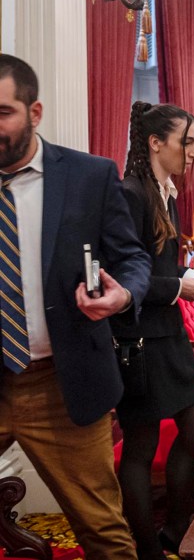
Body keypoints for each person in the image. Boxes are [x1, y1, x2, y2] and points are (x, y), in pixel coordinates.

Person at [0, 54, 150, 559]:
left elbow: (131, 258)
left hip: (62, 385)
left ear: (34, 112)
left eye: (3, 113)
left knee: (103, 532)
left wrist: (122, 294)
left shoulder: (89, 176)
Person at [114, 101, 194, 558]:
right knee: (141, 445)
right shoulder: (131, 193)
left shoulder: (165, 192)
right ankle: (149, 549)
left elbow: (156, 266)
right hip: (139, 337)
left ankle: (175, 528)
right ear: (156, 143)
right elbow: (124, 277)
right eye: (186, 142)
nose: (193, 152)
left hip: (166, 333)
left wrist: (187, 275)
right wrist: (178, 285)